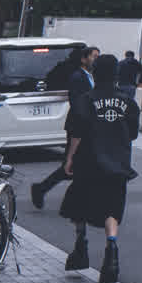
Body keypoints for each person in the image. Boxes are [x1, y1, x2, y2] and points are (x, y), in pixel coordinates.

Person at [59, 54, 139, 283]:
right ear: (116, 74)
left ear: (95, 73)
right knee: (112, 207)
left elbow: (76, 133)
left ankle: (81, 246)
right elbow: (133, 133)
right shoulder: (128, 102)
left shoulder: (85, 100)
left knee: (79, 202)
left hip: (89, 160)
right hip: (118, 162)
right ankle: (111, 251)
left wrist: (70, 159)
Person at [30, 46, 94, 210]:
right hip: (77, 125)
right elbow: (77, 102)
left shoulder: (89, 76)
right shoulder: (77, 77)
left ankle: (43, 189)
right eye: (94, 57)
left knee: (76, 165)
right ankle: (42, 189)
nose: (96, 60)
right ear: (84, 59)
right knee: (70, 164)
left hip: (84, 125)